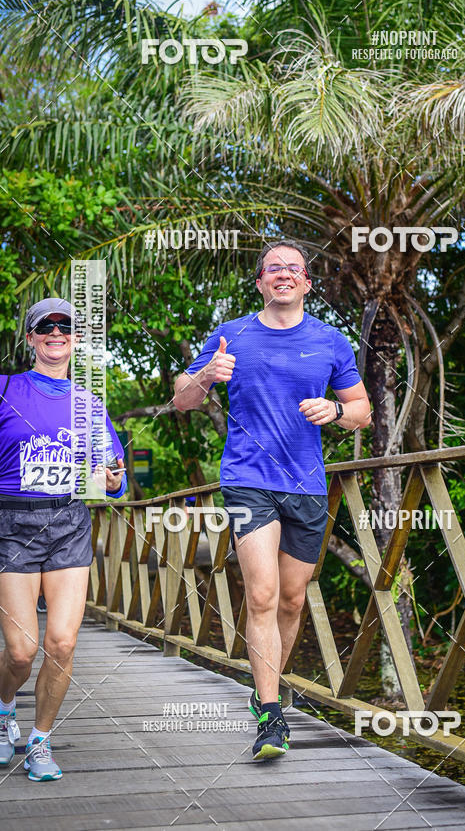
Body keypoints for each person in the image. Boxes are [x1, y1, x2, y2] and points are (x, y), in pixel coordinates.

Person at [174, 240, 371, 760]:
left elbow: (362, 411)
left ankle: (268, 685)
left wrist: (336, 411)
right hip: (247, 479)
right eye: (273, 268)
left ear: (307, 283)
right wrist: (204, 376)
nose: (283, 275)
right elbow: (182, 399)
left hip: (306, 484)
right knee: (261, 595)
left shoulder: (331, 341)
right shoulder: (231, 334)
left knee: (290, 599)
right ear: (260, 282)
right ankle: (270, 714)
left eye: (293, 269)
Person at [0, 298, 127, 781]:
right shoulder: (6, 389)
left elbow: (110, 478)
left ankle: (40, 741)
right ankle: (3, 707)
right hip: (12, 525)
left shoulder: (90, 404)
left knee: (62, 641)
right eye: (45, 326)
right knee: (20, 650)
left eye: (66, 327)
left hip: (68, 523)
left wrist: (110, 479)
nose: (57, 332)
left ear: (77, 339)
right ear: (30, 338)